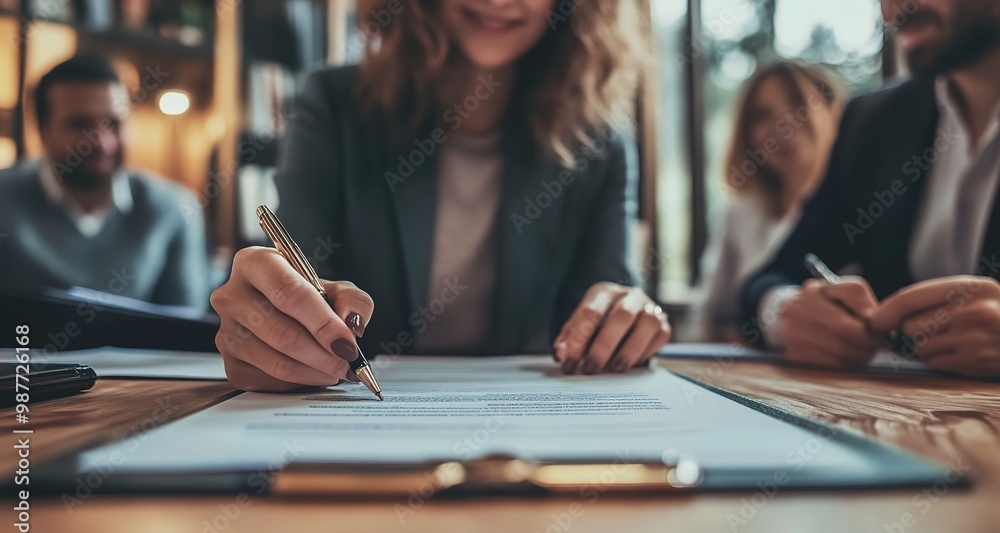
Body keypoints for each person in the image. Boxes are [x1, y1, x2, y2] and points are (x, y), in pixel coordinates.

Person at [210, 0, 672, 391]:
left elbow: (605, 295)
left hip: (525, 427)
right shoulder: (333, 106)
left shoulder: (599, 147)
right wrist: (270, 326)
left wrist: (625, 314)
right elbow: (300, 281)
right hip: (352, 420)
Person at [741, 0, 1000, 376]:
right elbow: (772, 278)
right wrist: (786, 312)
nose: (893, 7)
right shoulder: (874, 121)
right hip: (892, 422)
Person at [0, 54, 208, 309]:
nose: (102, 143)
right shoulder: (5, 199)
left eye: (113, 124)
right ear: (42, 130)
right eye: (80, 124)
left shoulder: (175, 208)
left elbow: (186, 328)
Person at [686, 61, 845, 342]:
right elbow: (707, 312)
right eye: (761, 115)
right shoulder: (739, 212)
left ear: (831, 113)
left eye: (795, 109)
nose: (780, 127)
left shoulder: (851, 211)